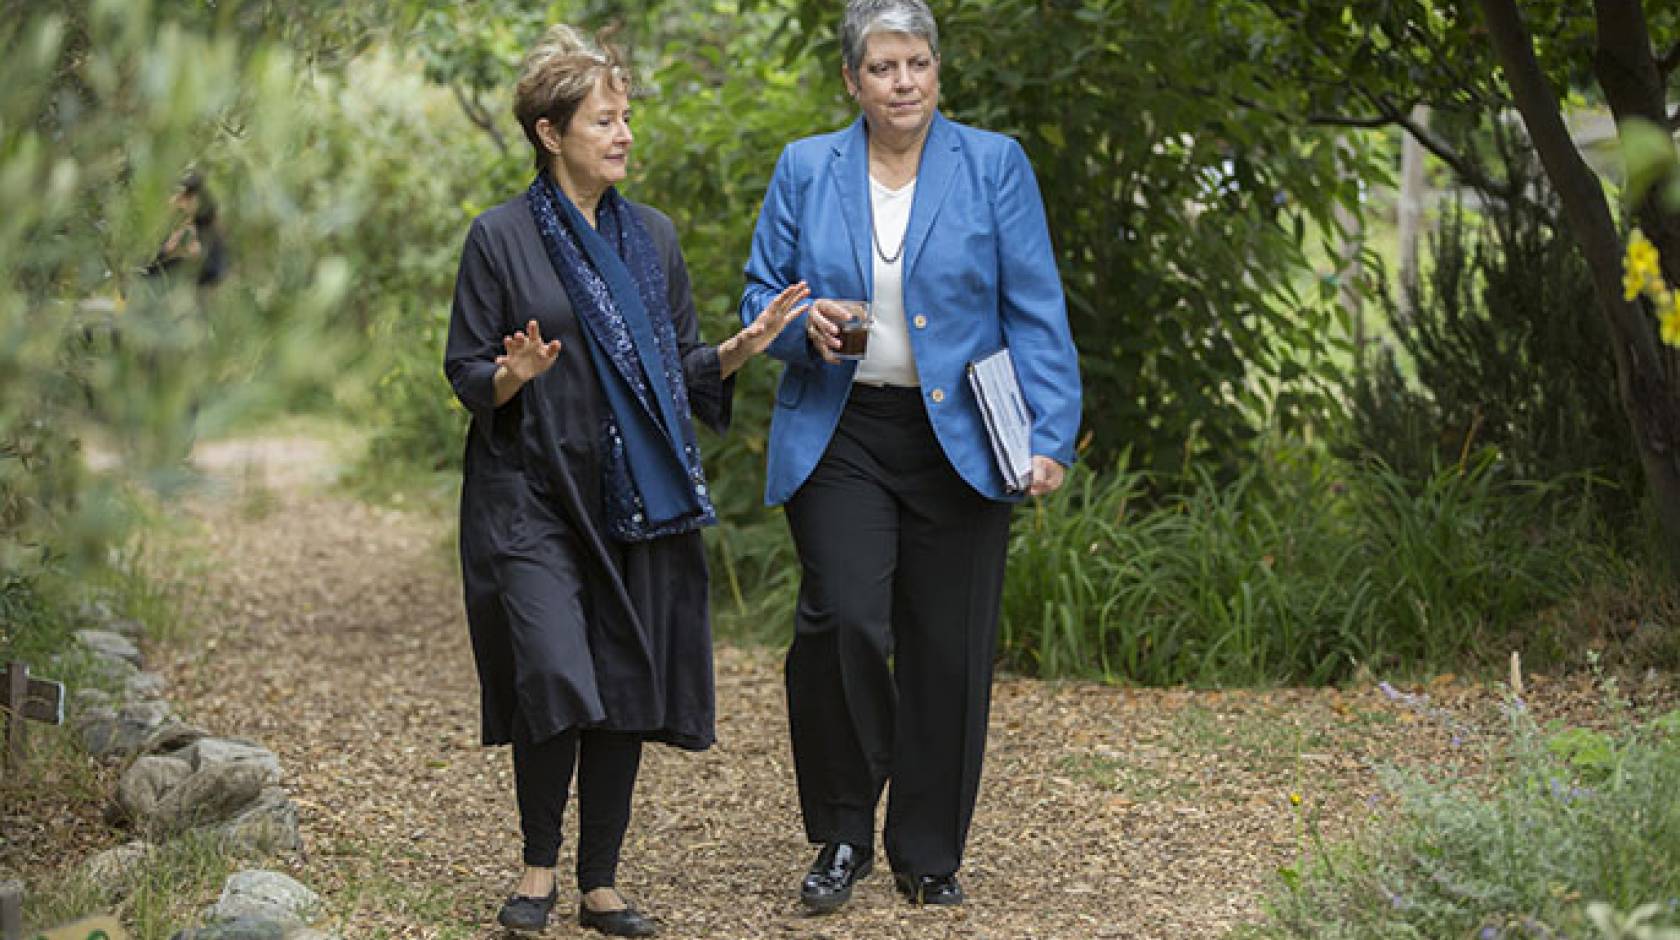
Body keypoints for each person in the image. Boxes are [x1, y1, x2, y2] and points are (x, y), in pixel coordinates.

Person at [444, 24, 808, 937]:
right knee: (556, 670)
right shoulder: (498, 238)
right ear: (549, 132)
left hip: (632, 498)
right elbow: (466, 372)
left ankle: (600, 882)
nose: (624, 134)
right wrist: (513, 377)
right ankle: (538, 866)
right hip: (528, 492)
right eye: (604, 119)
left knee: (618, 679)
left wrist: (732, 352)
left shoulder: (655, 238)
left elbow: (677, 364)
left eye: (626, 117)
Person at [738, 0, 1082, 913]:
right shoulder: (806, 168)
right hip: (841, 431)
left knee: (949, 649)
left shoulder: (994, 164)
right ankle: (844, 831)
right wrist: (791, 325)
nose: (903, 83)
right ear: (852, 80)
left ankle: (927, 852)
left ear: (937, 72)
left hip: (963, 437)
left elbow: (1034, 306)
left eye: (917, 65)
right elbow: (756, 296)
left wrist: (1048, 437)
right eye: (884, 67)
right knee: (842, 621)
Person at [143, 170, 229, 289]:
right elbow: (145, 269)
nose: (180, 201)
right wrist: (167, 251)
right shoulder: (165, 222)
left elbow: (216, 271)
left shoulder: (206, 226)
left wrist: (194, 256)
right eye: (179, 195)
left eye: (187, 196)